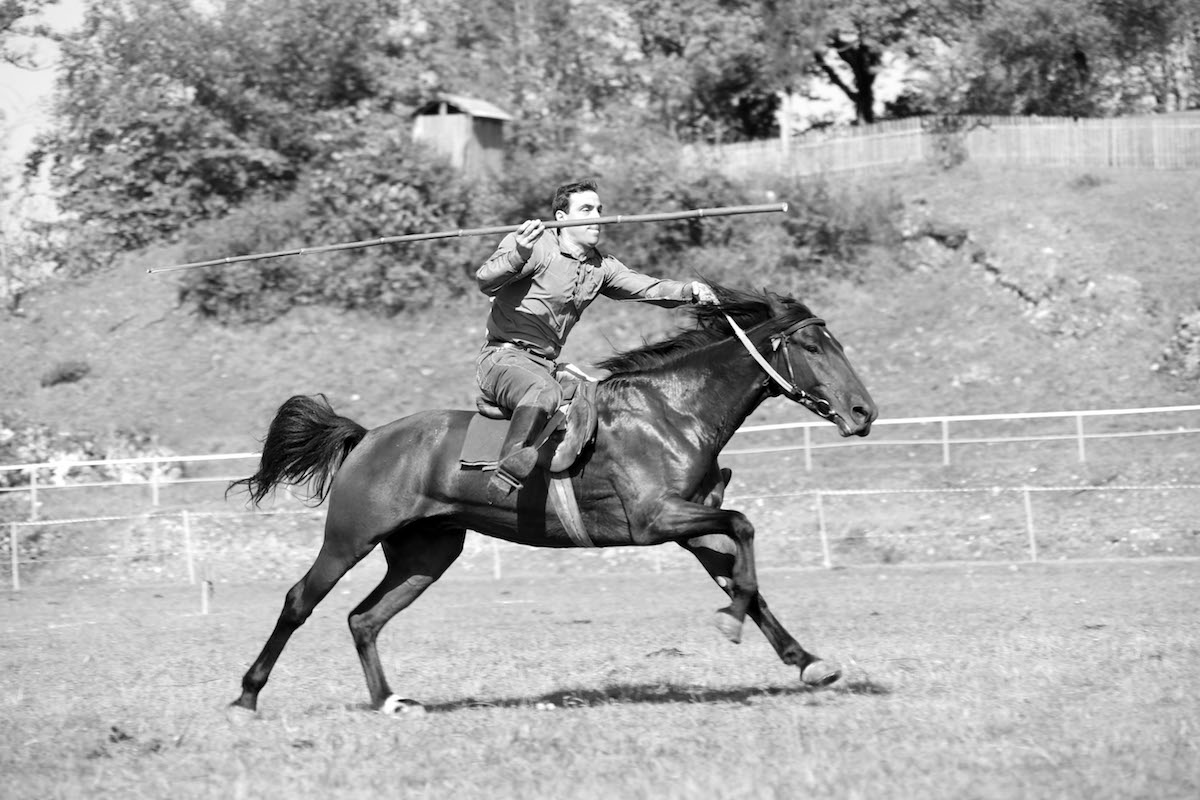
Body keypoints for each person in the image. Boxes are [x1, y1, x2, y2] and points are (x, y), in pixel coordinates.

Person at [476, 178, 719, 501]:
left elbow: (645, 287)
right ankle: (508, 469)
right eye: (587, 209)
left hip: (546, 365)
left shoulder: (601, 267)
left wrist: (688, 291)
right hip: (503, 359)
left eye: (600, 209)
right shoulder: (533, 246)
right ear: (562, 218)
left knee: (605, 395)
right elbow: (485, 281)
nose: (598, 216)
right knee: (542, 390)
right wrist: (518, 254)